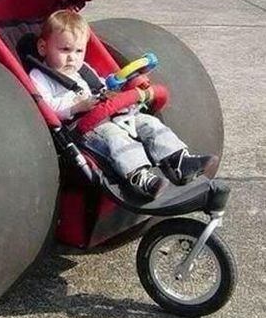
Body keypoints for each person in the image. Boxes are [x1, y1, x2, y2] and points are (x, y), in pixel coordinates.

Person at [29, 10, 218, 199]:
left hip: (108, 112)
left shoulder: (83, 70)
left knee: (147, 122)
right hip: (84, 127)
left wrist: (112, 94)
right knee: (115, 136)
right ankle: (139, 178)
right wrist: (75, 107)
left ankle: (178, 161)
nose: (73, 58)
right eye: (65, 50)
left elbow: (100, 86)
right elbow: (47, 109)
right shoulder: (40, 76)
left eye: (79, 51)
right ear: (43, 48)